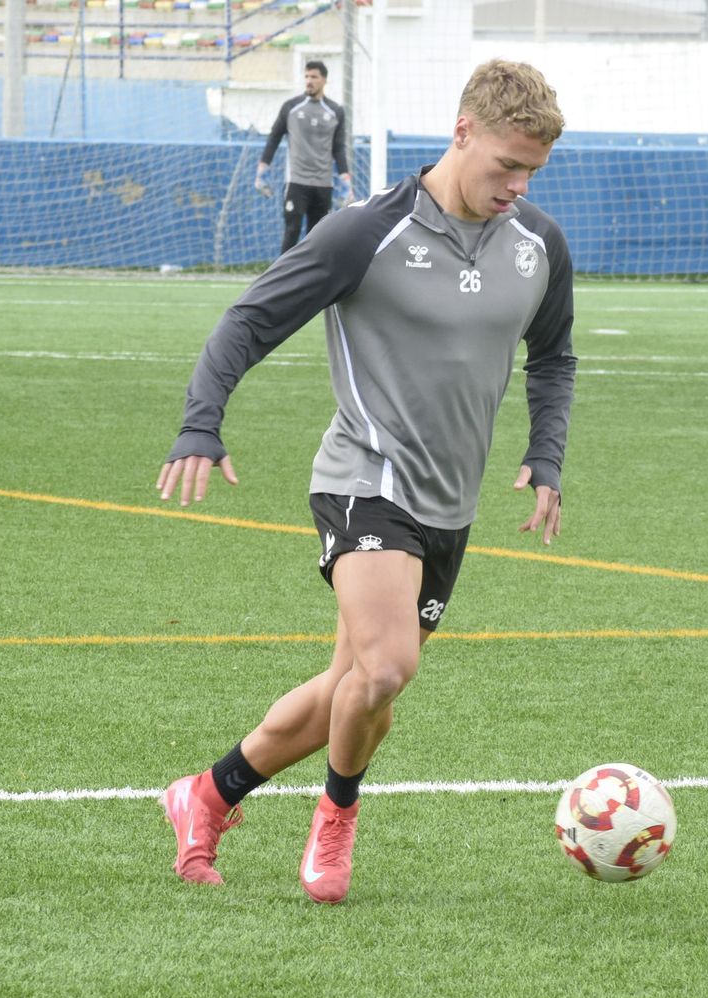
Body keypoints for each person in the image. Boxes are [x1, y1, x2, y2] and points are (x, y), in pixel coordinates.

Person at [155, 59, 574, 905]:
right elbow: (249, 319)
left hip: (449, 503)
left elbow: (554, 357)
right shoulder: (365, 232)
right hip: (363, 478)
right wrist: (203, 420)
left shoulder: (538, 244)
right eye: (505, 165)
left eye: (532, 170)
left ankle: (206, 794)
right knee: (384, 671)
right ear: (462, 133)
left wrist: (547, 455)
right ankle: (338, 815)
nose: (516, 185)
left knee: (348, 690)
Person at [255, 60, 353, 254]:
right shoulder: (291, 107)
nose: (309, 81)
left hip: (323, 184)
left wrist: (346, 182)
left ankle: (311, 281)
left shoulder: (336, 111)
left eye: (314, 77)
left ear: (324, 80)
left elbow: (338, 148)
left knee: (316, 237)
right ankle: (282, 279)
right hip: (296, 182)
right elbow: (274, 138)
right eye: (306, 76)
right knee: (292, 230)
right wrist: (262, 170)